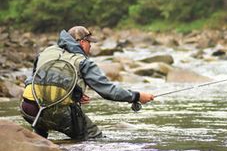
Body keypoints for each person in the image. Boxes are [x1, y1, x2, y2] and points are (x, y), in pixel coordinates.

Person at [20, 26, 154, 140]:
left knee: (41, 128)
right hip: (56, 111)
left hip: (28, 107)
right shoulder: (83, 62)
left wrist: (74, 93)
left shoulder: (46, 52)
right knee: (95, 138)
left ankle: (38, 143)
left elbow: (35, 80)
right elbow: (108, 90)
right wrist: (136, 96)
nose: (91, 47)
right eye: (90, 43)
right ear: (82, 42)